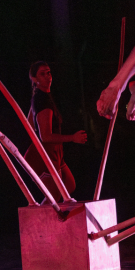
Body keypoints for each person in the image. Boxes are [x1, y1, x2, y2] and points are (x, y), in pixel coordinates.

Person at [24, 61, 87, 200]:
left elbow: (29, 123)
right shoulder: (42, 100)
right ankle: (40, 220)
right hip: (46, 152)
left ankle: (51, 216)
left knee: (69, 185)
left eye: (49, 73)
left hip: (55, 151)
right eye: (42, 74)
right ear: (34, 79)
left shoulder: (41, 97)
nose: (48, 76)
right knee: (55, 194)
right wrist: (72, 138)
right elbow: (45, 136)